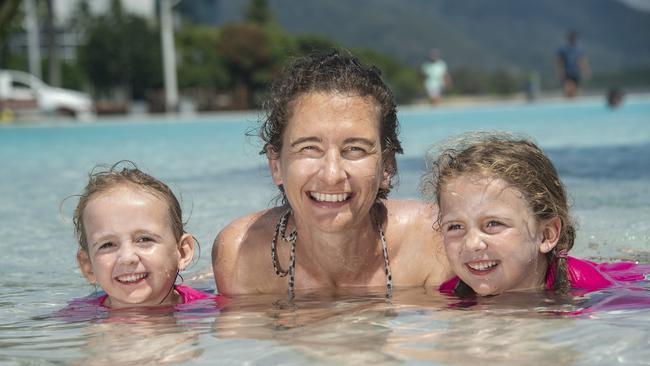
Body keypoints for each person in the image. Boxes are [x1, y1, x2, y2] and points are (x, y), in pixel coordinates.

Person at [212, 51, 451, 297]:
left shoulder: (435, 240)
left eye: (355, 149)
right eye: (309, 148)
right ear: (276, 165)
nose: (332, 175)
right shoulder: (242, 254)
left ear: (387, 166)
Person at [420, 132, 650, 297]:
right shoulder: (451, 294)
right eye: (455, 227)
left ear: (546, 235)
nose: (471, 244)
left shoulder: (588, 288)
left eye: (492, 223)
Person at [72, 162, 216, 308]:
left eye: (144, 239)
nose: (127, 258)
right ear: (88, 266)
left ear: (182, 252)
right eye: (107, 244)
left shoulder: (205, 309)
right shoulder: (76, 319)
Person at [556, 30, 590, 98]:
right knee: (567, 89)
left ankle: (576, 103)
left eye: (573, 38)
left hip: (576, 72)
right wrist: (560, 71)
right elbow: (560, 61)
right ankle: (567, 101)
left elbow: (582, 61)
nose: (572, 39)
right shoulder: (564, 49)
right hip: (567, 72)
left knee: (577, 89)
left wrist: (586, 71)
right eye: (571, 38)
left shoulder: (579, 49)